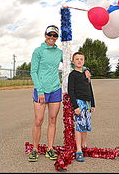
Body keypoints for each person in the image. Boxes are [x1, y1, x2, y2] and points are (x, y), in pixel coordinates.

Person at [28, 25, 91, 162]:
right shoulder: (38, 51)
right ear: (45, 35)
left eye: (54, 35)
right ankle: (34, 149)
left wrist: (85, 68)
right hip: (41, 91)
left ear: (57, 38)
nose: (52, 38)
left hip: (55, 90)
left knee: (52, 120)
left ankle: (50, 149)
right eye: (49, 35)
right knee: (38, 121)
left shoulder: (59, 53)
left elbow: (71, 63)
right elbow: (33, 71)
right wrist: (39, 90)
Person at [68, 52, 95, 162]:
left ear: (83, 61)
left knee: (85, 126)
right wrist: (75, 106)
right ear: (73, 61)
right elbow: (71, 91)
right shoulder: (73, 74)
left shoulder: (86, 74)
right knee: (79, 126)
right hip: (79, 103)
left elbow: (90, 89)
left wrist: (93, 103)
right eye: (77, 59)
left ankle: (84, 145)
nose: (79, 61)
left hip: (87, 103)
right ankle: (78, 150)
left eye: (81, 59)